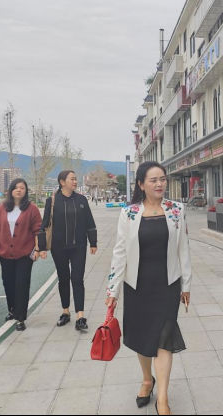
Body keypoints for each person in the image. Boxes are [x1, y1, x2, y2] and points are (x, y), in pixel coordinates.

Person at [106, 161, 191, 416]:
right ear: (141, 184)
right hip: (137, 285)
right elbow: (120, 252)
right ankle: (147, 379)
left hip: (167, 285)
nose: (159, 184)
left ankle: (162, 399)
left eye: (162, 179)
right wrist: (112, 291)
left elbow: (183, 248)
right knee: (143, 337)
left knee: (164, 338)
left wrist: (186, 284)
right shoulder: (129, 213)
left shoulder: (176, 210)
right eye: (153, 180)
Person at [38, 170, 97, 330]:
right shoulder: (52, 201)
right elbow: (44, 225)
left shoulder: (81, 200)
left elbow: (89, 222)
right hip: (58, 248)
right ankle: (65, 312)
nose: (75, 181)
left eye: (76, 179)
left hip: (79, 246)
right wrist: (41, 247)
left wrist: (93, 242)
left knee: (77, 279)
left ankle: (80, 316)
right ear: (62, 182)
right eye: (72, 179)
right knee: (63, 279)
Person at [0, 179, 43, 332]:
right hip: (5, 254)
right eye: (16, 187)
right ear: (11, 190)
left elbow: (38, 230)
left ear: (26, 191)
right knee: (8, 283)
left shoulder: (32, 209)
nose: (19, 190)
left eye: (22, 188)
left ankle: (21, 317)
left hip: (25, 254)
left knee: (22, 284)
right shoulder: (2, 208)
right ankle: (12, 310)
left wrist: (37, 249)